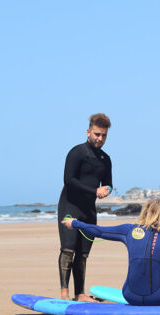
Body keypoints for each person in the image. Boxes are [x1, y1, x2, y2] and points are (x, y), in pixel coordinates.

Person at [62, 199, 160, 306]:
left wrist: (75, 223)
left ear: (144, 212)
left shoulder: (128, 230)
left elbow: (99, 231)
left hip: (131, 296)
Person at [57, 113, 113, 302]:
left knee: (82, 254)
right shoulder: (77, 153)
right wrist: (94, 191)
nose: (100, 139)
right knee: (68, 249)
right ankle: (64, 293)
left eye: (104, 135)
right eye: (97, 134)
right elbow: (69, 180)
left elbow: (108, 183)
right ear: (88, 132)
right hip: (70, 206)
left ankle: (79, 293)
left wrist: (107, 190)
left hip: (89, 210)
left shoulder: (106, 159)